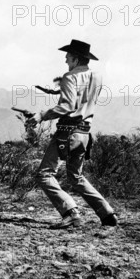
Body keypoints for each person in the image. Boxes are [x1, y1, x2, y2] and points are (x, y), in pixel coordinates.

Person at [28, 39, 118, 229]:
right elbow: (82, 99)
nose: (66, 60)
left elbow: (68, 106)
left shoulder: (70, 77)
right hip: (84, 133)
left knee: (44, 174)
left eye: (68, 57)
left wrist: (41, 115)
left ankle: (70, 213)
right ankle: (107, 213)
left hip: (67, 132)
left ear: (76, 59)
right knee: (76, 177)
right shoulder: (97, 77)